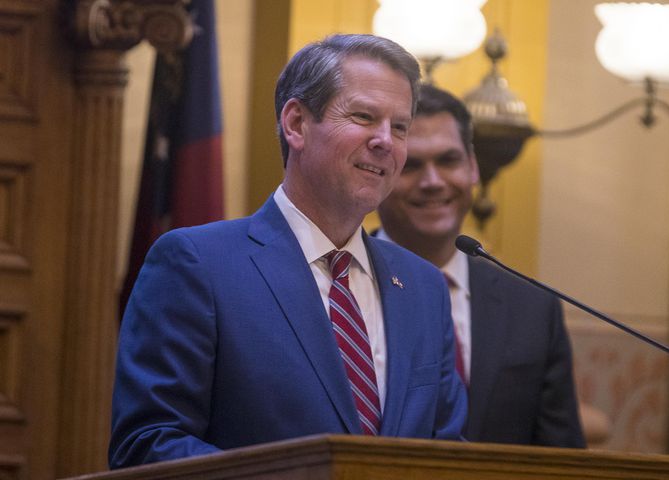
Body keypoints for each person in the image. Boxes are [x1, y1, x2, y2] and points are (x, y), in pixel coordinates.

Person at [109, 35, 467, 469]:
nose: (386, 142)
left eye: (401, 127)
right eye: (364, 116)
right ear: (296, 124)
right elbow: (148, 445)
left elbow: (449, 454)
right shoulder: (197, 264)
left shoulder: (422, 286)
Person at [376, 84, 585, 447]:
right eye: (410, 165)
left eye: (448, 160)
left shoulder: (534, 309)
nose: (432, 182)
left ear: (472, 167)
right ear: (377, 173)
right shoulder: (339, 286)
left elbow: (562, 456)